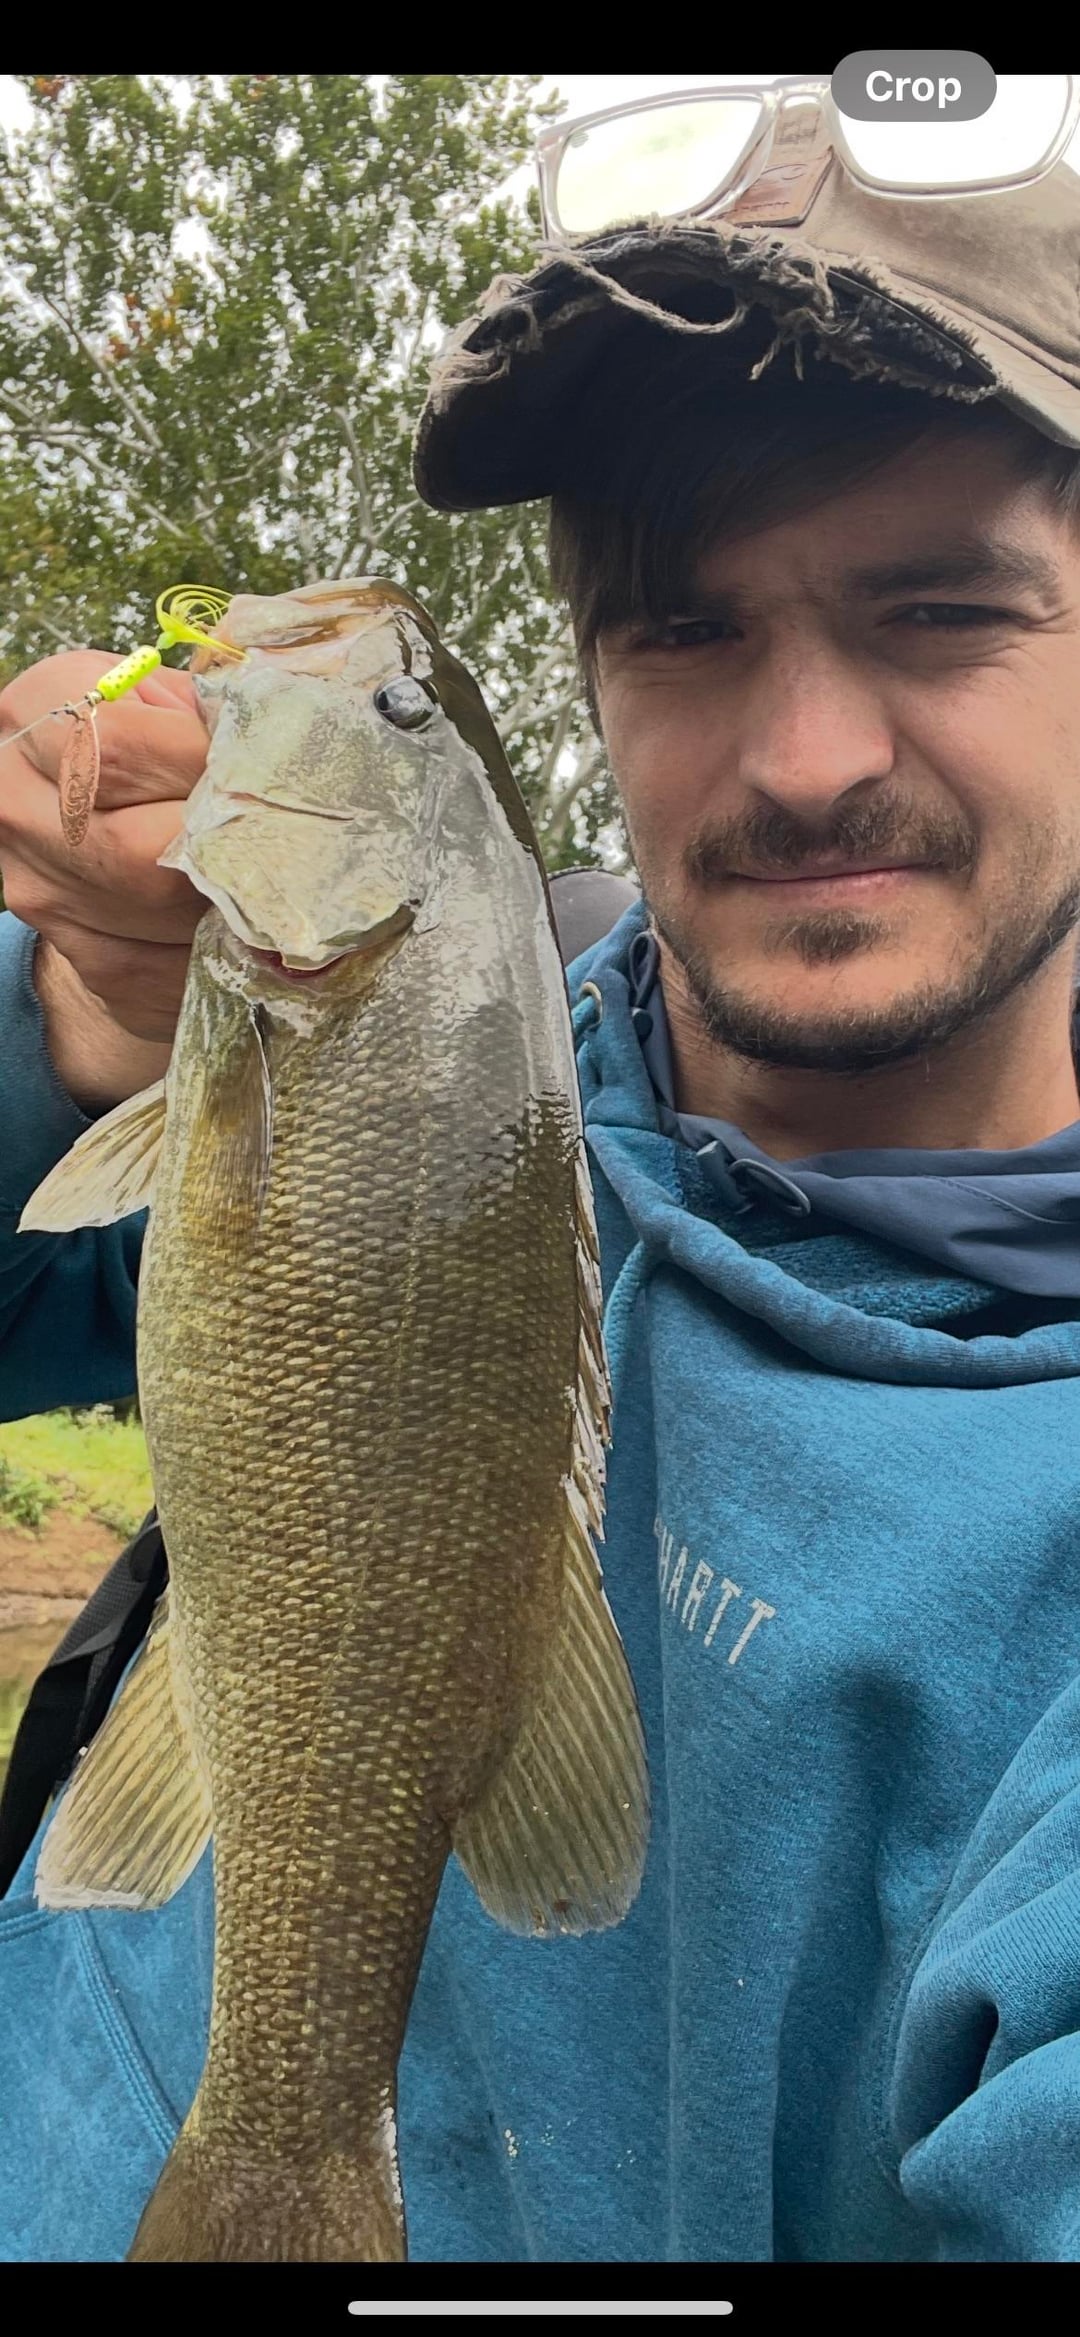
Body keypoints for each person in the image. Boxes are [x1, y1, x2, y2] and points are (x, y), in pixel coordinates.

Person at [3, 89, 1080, 2265]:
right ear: (592, 671)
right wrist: (57, 1045)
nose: (806, 758)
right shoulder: (481, 1032)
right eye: (683, 630)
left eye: (941, 608)